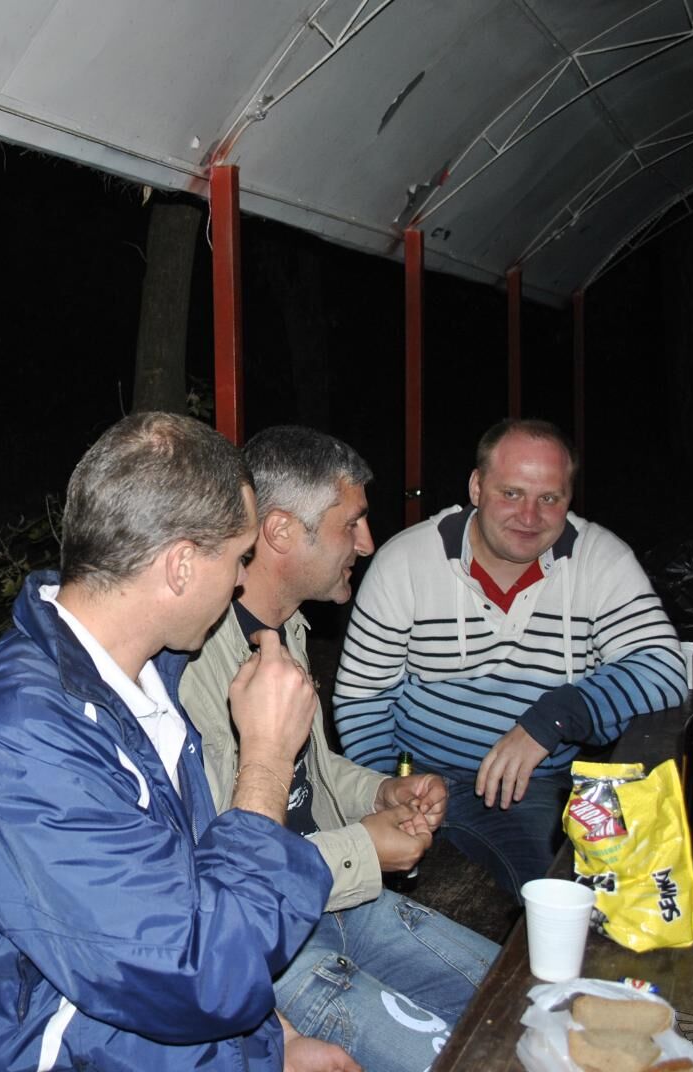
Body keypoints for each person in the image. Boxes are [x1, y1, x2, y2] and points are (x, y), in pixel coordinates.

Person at [0, 412, 359, 1072]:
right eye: (238, 558)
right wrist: (266, 759)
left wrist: (277, 1040)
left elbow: (185, 891)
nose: (241, 582)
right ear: (180, 566)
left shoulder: (146, 680)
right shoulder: (13, 737)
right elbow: (199, 974)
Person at [180, 425, 497, 1072]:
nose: (367, 542)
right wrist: (363, 848)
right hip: (267, 951)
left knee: (526, 998)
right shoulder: (194, 664)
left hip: (342, 899)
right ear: (280, 531)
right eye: (350, 523)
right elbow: (214, 864)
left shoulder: (285, 629)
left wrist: (380, 793)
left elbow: (310, 773)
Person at [332, 418, 685, 895]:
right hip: (414, 778)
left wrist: (554, 718)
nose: (529, 516)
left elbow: (664, 667)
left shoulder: (599, 560)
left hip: (529, 787)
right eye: (512, 493)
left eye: (549, 498)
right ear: (477, 487)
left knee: (581, 890)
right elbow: (363, 698)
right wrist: (390, 788)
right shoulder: (406, 562)